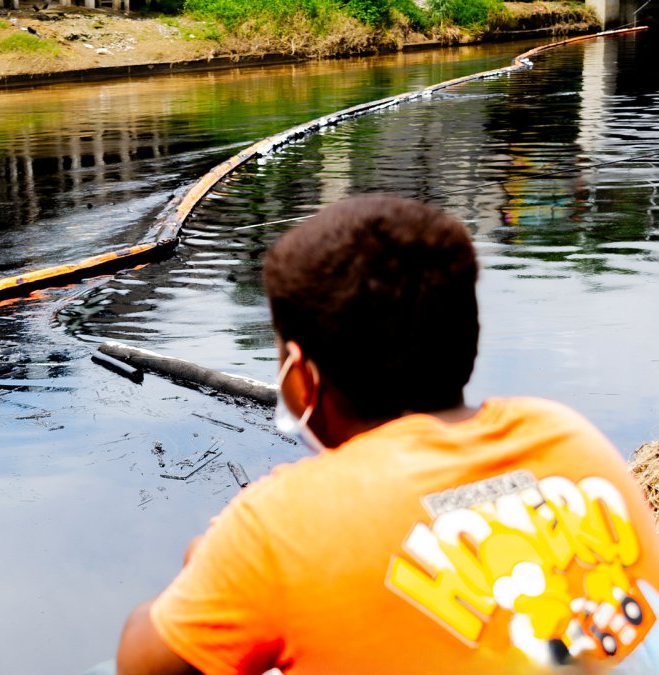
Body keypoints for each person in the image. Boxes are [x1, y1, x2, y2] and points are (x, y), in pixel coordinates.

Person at [115, 195, 659, 674]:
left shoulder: (284, 524)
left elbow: (140, 666)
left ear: (301, 378)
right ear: (467, 338)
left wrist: (206, 561)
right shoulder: (563, 434)